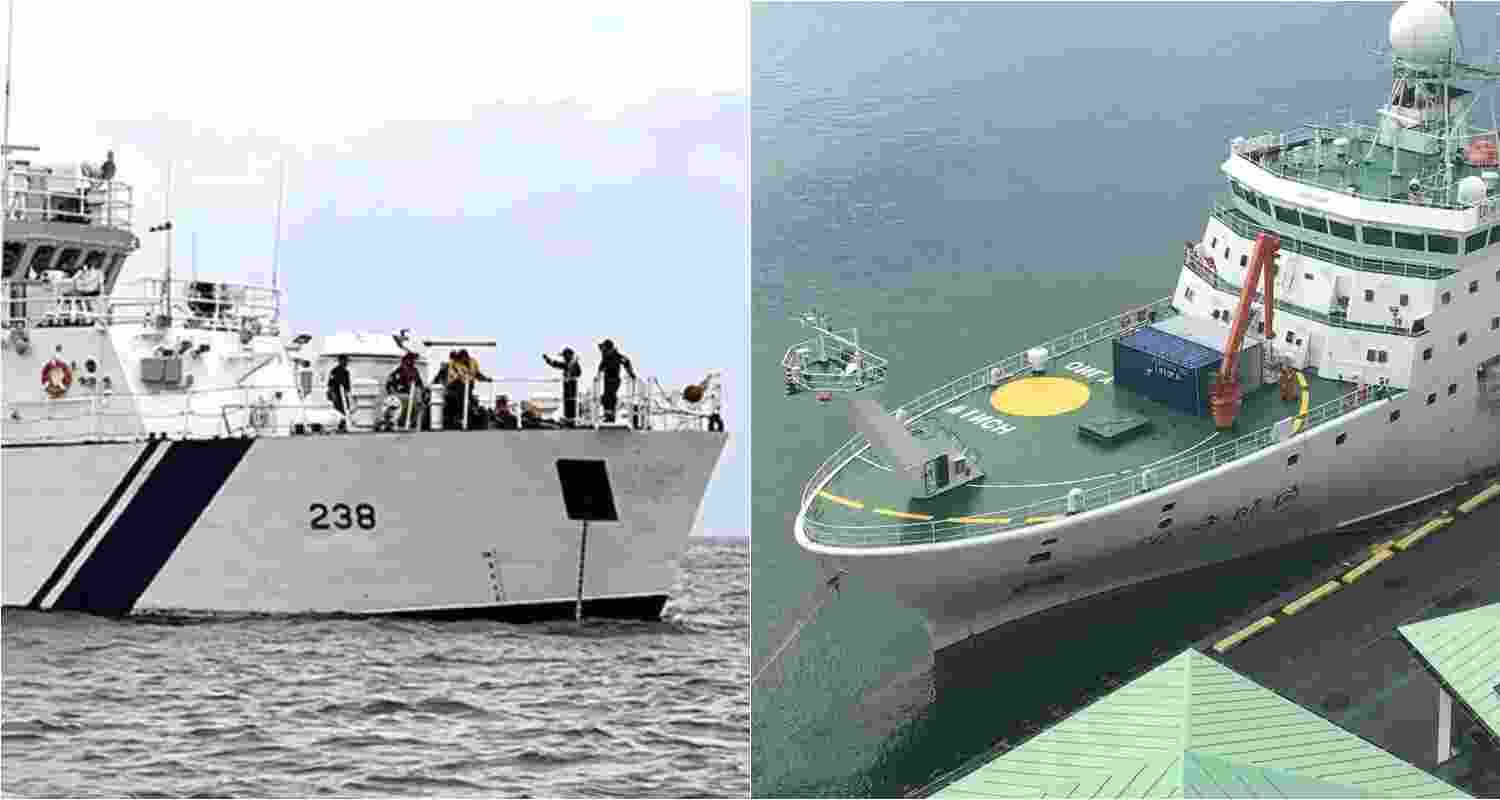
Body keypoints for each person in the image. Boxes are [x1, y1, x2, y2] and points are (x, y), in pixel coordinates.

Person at [597, 339, 636, 423]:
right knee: (605, 397)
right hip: (607, 380)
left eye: (604, 348)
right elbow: (601, 367)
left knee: (610, 396)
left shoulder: (616, 356)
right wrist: (598, 375)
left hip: (614, 379)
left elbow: (626, 362)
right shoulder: (605, 357)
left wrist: (631, 373)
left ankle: (610, 415)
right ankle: (608, 415)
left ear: (608, 348)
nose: (603, 350)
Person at [543, 347, 582, 426]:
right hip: (567, 387)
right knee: (568, 402)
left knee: (571, 402)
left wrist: (570, 373)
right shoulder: (568, 363)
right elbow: (556, 364)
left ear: (569, 355)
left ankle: (571, 420)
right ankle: (568, 420)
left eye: (565, 356)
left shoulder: (574, 363)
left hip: (572, 387)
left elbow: (578, 373)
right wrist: (547, 359)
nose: (564, 358)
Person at [326, 355, 352, 431]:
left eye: (346, 361)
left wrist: (347, 393)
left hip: (343, 394)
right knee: (337, 409)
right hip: (336, 393)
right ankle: (338, 425)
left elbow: (347, 385)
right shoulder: (334, 371)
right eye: (345, 361)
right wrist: (332, 393)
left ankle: (343, 425)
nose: (346, 362)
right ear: (340, 361)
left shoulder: (346, 372)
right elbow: (330, 383)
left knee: (346, 409)